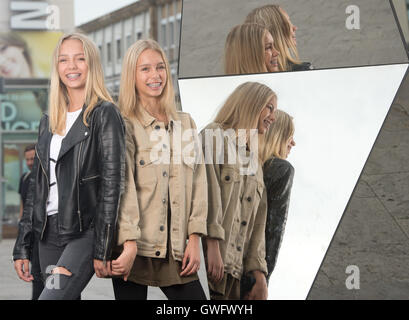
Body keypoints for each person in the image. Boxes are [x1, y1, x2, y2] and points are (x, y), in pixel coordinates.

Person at [12, 33, 125, 300]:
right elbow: (36, 189)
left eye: (79, 59)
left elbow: (113, 184)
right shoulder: (48, 119)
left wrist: (103, 246)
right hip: (46, 233)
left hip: (83, 232)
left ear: (91, 64)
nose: (71, 67)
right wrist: (22, 245)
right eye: (64, 60)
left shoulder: (104, 113)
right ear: (57, 67)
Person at [111, 39, 208, 300]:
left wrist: (195, 238)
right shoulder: (122, 123)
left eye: (160, 67)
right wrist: (129, 243)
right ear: (131, 76)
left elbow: (199, 183)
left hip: (176, 247)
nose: (155, 75)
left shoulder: (185, 123)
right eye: (145, 69)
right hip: (133, 246)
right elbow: (123, 187)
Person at [201, 81, 277, 300]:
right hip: (209, 266)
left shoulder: (256, 165)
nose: (273, 117)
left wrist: (259, 274)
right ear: (251, 104)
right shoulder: (214, 136)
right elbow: (205, 195)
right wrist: (212, 245)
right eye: (269, 107)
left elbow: (259, 226)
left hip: (236, 277)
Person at [242, 110, 296, 296]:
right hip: (252, 275)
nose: (293, 143)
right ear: (277, 136)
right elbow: (274, 230)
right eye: (289, 136)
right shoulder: (281, 169)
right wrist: (263, 278)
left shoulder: (243, 163)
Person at [245, 5, 313, 72]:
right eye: (288, 23)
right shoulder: (303, 72)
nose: (295, 28)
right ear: (275, 32)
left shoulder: (241, 75)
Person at [18, 144, 44, 300]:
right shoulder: (25, 178)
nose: (29, 162)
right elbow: (23, 206)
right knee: (36, 275)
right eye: (27, 159)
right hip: (31, 235)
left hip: (45, 235)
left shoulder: (45, 179)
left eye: (33, 158)